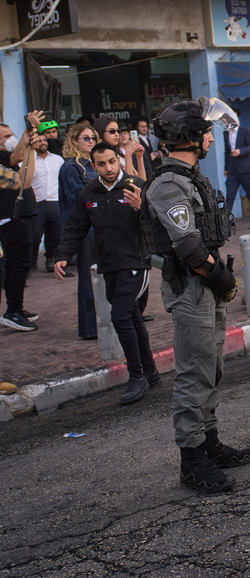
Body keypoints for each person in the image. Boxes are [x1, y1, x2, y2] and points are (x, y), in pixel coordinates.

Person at [143, 97, 250, 493]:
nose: (211, 137)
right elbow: (187, 246)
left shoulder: (190, 177)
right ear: (190, 136)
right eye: (206, 131)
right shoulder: (169, 183)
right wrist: (222, 279)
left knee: (212, 368)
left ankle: (208, 443)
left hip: (203, 286)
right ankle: (192, 461)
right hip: (192, 288)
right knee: (194, 373)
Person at [54, 142, 159, 404]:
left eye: (112, 161)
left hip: (136, 262)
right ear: (93, 166)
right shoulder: (89, 192)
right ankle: (151, 371)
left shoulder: (136, 185)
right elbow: (75, 227)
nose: (108, 168)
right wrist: (63, 257)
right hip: (108, 265)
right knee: (132, 316)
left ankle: (137, 377)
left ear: (119, 160)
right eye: (101, 164)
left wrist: (140, 207)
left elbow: (158, 222)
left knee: (120, 315)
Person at [58, 123, 100, 340]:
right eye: (86, 138)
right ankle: (89, 328)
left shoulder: (96, 164)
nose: (91, 141)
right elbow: (75, 198)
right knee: (88, 277)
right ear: (73, 141)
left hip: (102, 225)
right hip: (85, 228)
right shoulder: (70, 167)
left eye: (93, 137)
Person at [0, 116, 39, 332]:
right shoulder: (4, 157)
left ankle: (16, 308)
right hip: (9, 217)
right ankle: (12, 311)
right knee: (17, 264)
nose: (11, 138)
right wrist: (28, 137)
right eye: (6, 136)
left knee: (21, 264)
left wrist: (28, 137)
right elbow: (19, 159)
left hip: (20, 215)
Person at [28, 122, 68, 273]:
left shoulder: (57, 159)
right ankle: (30, 263)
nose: (43, 142)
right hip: (36, 202)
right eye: (40, 140)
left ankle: (52, 261)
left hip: (55, 201)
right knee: (34, 236)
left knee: (56, 234)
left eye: (44, 140)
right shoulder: (28, 160)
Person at [222, 112, 250, 213]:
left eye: (225, 119)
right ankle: (227, 220)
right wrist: (226, 168)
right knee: (230, 195)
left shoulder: (244, 131)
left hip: (244, 167)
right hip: (232, 169)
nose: (223, 121)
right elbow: (226, 151)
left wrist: (240, 151)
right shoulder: (225, 133)